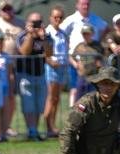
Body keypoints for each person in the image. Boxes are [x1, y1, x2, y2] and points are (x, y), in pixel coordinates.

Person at [61, 0, 109, 106]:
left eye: (87, 4)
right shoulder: (71, 19)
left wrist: (98, 43)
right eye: (83, 3)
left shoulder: (95, 19)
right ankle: (74, 112)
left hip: (93, 64)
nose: (85, 6)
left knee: (94, 90)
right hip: (77, 62)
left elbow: (106, 28)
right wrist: (68, 46)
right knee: (76, 89)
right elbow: (60, 32)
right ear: (77, 5)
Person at [16, 12, 53, 140]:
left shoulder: (46, 36)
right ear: (28, 23)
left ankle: (35, 131)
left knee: (38, 105)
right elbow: (24, 52)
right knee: (28, 104)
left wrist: (43, 39)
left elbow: (49, 54)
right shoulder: (22, 36)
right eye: (34, 22)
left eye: (38, 22)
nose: (36, 25)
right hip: (25, 75)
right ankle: (31, 130)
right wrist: (31, 35)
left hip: (41, 74)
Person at [0, 0, 24, 137]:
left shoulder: (21, 23)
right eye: (4, 9)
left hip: (15, 66)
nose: (7, 11)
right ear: (0, 11)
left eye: (9, 8)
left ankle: (5, 128)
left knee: (9, 102)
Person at [44, 5, 68, 137]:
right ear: (50, 18)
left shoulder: (63, 33)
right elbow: (45, 53)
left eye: (60, 17)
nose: (58, 19)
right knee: (51, 97)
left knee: (57, 98)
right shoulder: (47, 33)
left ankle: (52, 125)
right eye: (55, 17)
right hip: (52, 68)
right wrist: (51, 61)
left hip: (62, 67)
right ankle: (48, 125)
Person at [70, 24, 103, 98]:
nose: (86, 36)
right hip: (82, 77)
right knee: (80, 99)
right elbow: (71, 57)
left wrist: (100, 63)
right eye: (84, 34)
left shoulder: (97, 46)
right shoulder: (79, 46)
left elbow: (103, 57)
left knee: (94, 98)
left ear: (92, 34)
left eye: (88, 34)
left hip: (95, 77)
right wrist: (76, 64)